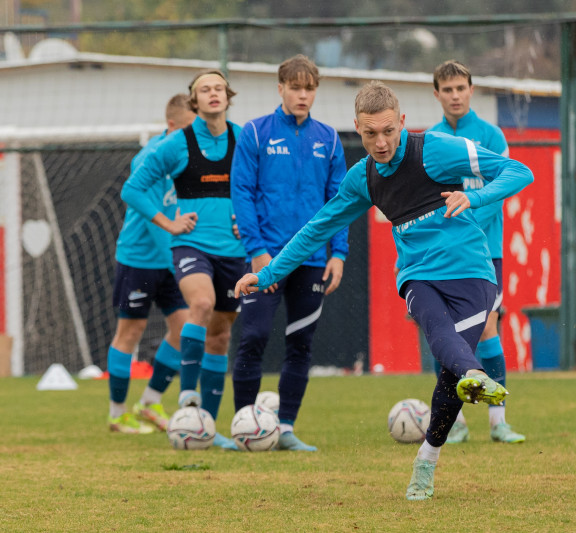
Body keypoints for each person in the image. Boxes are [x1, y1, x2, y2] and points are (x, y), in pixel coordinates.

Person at [234, 81, 533, 500]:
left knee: (449, 374)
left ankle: (427, 457)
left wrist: (477, 197)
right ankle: (476, 374)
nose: (380, 142)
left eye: (389, 131)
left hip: (472, 274)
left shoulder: (435, 149)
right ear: (356, 128)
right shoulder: (365, 178)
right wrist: (266, 275)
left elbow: (519, 171)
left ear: (403, 124)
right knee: (437, 331)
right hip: (417, 273)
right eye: (370, 133)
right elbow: (317, 229)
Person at [122, 70, 245, 450]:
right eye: (204, 89)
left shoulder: (245, 139)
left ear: (228, 96)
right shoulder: (175, 145)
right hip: (191, 246)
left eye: (218, 88)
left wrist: (250, 220)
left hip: (234, 250)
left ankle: (207, 426)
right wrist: (167, 222)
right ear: (194, 101)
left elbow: (264, 188)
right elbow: (133, 189)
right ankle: (187, 398)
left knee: (221, 334)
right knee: (202, 303)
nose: (212, 94)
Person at [230, 55, 348, 452]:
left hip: (313, 260)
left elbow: (340, 201)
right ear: (279, 88)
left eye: (309, 88)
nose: (302, 95)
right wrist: (257, 250)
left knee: (301, 343)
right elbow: (242, 193)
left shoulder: (329, 139)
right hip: (266, 258)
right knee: (254, 337)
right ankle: (244, 423)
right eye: (295, 87)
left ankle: (285, 428)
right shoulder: (256, 133)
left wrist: (339, 253)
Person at [427, 60, 525, 445]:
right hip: (441, 256)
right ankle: (455, 424)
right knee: (444, 333)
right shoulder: (429, 140)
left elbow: (501, 188)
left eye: (460, 88)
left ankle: (498, 421)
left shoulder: (490, 135)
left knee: (487, 327)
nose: (454, 96)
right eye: (447, 90)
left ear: (471, 90)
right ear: (436, 94)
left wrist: (466, 219)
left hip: (485, 251)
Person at [107, 94, 196, 434]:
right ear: (171, 126)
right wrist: (179, 261)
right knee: (130, 332)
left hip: (171, 258)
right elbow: (152, 219)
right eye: (188, 130)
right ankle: (117, 413)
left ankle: (150, 402)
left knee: (184, 327)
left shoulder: (191, 155)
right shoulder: (150, 157)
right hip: (141, 260)